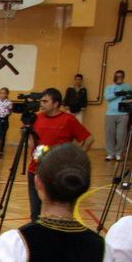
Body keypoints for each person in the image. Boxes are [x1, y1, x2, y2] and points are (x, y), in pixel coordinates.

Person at [26, 88, 93, 221]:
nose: (42, 104)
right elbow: (31, 142)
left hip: (57, 173)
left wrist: (76, 158)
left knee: (57, 212)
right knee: (35, 212)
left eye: (45, 101)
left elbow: (89, 139)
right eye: (41, 101)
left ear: (56, 103)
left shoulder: (68, 119)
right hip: (35, 170)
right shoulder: (37, 118)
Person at [104, 70, 132, 161]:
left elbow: (130, 95)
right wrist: (117, 93)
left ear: (123, 77)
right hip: (110, 113)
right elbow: (107, 98)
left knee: (121, 135)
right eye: (117, 76)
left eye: (121, 76)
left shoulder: (127, 86)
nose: (119, 78)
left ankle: (119, 154)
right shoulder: (109, 87)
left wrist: (128, 94)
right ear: (114, 77)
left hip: (123, 113)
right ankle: (110, 154)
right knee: (110, 134)